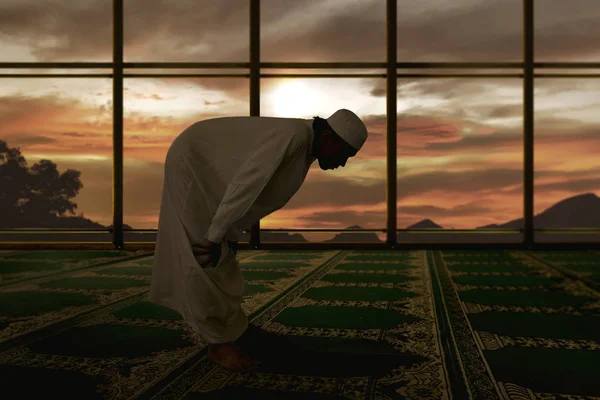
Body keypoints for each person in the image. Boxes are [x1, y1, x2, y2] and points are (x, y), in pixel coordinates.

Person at [149, 109, 368, 372]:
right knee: (203, 257)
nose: (342, 163)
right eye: (344, 155)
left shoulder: (304, 146)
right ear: (329, 138)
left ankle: (234, 330)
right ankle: (219, 345)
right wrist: (216, 234)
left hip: (208, 172)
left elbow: (258, 192)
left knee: (220, 257)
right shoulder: (294, 137)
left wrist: (226, 233)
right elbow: (248, 183)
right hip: (192, 164)